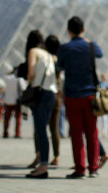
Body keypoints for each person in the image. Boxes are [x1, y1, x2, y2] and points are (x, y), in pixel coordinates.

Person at [57, 16, 103, 179]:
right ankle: (94, 168)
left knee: (76, 133)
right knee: (92, 132)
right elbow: (100, 54)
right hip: (90, 94)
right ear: (83, 29)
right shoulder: (90, 46)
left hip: (72, 95)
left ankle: (80, 169)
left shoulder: (64, 48)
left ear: (68, 31)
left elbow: (60, 66)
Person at [24, 30, 58, 179]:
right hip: (51, 94)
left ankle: (43, 166)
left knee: (40, 131)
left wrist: (28, 78)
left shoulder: (33, 51)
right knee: (43, 130)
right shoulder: (50, 55)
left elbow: (31, 73)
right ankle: (42, 163)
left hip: (40, 93)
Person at [45, 35, 62, 167]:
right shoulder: (60, 59)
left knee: (39, 128)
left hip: (45, 94)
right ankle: (56, 156)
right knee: (54, 128)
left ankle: (39, 155)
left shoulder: (45, 58)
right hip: (57, 95)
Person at [2, 66, 25, 139]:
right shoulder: (20, 79)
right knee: (18, 118)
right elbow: (23, 89)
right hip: (17, 101)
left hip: (8, 101)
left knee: (6, 118)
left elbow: (4, 76)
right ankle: (17, 133)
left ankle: (5, 132)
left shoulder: (7, 78)